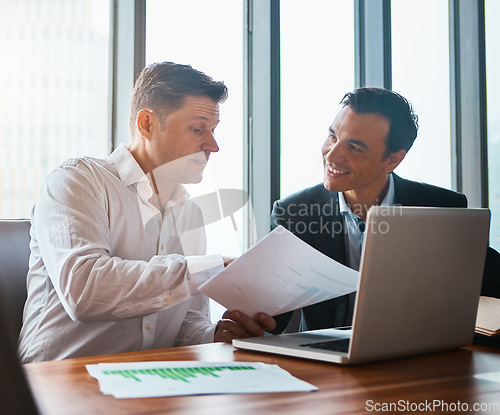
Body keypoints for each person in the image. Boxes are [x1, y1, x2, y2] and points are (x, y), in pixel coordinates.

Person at [18, 61, 275, 362]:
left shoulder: (190, 213)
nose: (213, 145)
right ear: (147, 125)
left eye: (213, 130)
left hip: (146, 384)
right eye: (198, 129)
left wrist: (215, 335)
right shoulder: (77, 181)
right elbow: (84, 289)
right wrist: (207, 269)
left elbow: (187, 324)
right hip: (53, 387)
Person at [270, 87, 500, 334]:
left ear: (393, 160)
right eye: (333, 137)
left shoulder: (442, 207)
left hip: (415, 355)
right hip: (324, 362)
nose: (332, 156)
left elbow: (489, 283)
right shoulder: (293, 213)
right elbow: (274, 317)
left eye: (354, 148)